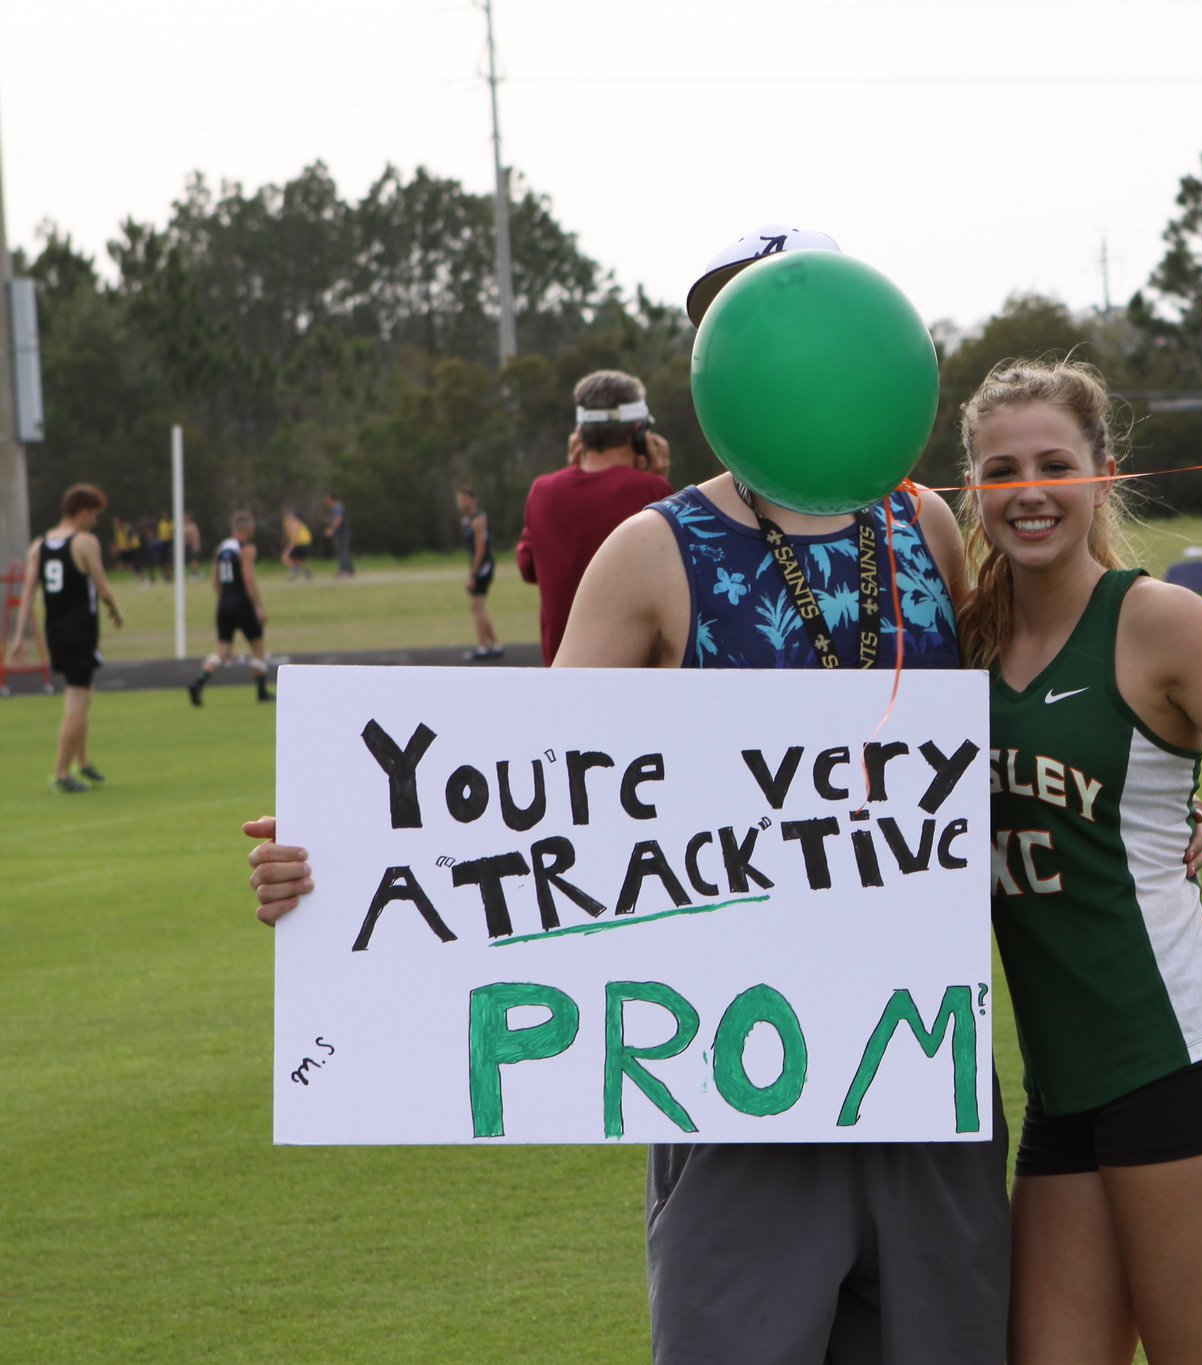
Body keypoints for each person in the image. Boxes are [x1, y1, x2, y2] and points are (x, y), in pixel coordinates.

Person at [249, 225, 1018, 1365]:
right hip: (741, 1070)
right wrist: (338, 857)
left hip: (919, 1063)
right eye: (734, 326)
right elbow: (532, 799)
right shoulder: (654, 549)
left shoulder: (926, 527)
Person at [956, 358, 1202, 1365]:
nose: (1030, 490)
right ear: (971, 487)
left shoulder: (1159, 625)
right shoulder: (960, 641)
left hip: (1180, 1066)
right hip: (1062, 1090)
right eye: (1000, 470)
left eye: (1055, 462)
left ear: (1102, 472)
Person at [515, 371, 674, 664]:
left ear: (581, 434)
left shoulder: (542, 491)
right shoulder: (650, 490)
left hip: (561, 673)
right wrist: (662, 484)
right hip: (628, 678)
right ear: (639, 432)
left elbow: (528, 567)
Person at [6, 483, 124, 791]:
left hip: (55, 633)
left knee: (85, 693)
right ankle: (61, 773)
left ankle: (82, 762)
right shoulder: (85, 542)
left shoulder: (38, 545)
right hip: (81, 632)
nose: (95, 521)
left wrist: (18, 637)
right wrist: (115, 611)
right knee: (78, 700)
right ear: (82, 511)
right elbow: (102, 587)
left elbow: (29, 592)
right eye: (94, 514)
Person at [188, 511, 274, 705]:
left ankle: (198, 683)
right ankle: (262, 692)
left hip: (224, 604)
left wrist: (225, 601)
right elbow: (249, 579)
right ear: (247, 528)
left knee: (222, 651)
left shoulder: (221, 548)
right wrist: (258, 607)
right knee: (258, 648)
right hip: (242, 603)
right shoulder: (247, 549)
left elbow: (215, 582)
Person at [456, 485, 502, 660]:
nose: (462, 502)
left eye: (465, 499)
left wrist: (473, 575)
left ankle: (483, 646)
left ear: (473, 500)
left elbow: (480, 550)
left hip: (484, 567)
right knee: (477, 607)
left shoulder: (477, 521)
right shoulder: (466, 521)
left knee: (477, 607)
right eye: (460, 499)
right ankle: (496, 644)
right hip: (478, 566)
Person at [323, 493, 355, 577]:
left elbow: (338, 520)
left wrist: (332, 530)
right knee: (344, 551)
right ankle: (350, 571)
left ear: (332, 500)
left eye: (327, 500)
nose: (326, 502)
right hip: (341, 533)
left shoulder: (338, 507)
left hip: (342, 533)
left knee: (342, 552)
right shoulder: (335, 508)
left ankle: (345, 571)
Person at [281, 507, 315, 581]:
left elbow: (294, 536)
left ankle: (295, 570)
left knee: (284, 556)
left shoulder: (293, 523)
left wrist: (290, 546)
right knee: (300, 560)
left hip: (300, 543)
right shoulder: (291, 522)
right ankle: (308, 574)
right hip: (304, 543)